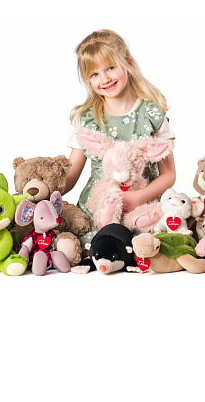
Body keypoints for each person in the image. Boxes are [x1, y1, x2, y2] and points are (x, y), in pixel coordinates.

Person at [65, 29, 176, 247]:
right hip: (99, 208)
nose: (104, 79)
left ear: (128, 63)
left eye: (110, 68)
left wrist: (138, 198)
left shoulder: (151, 114)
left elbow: (169, 174)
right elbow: (70, 174)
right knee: (91, 249)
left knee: (149, 247)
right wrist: (39, 193)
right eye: (94, 74)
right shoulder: (87, 119)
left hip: (142, 206)